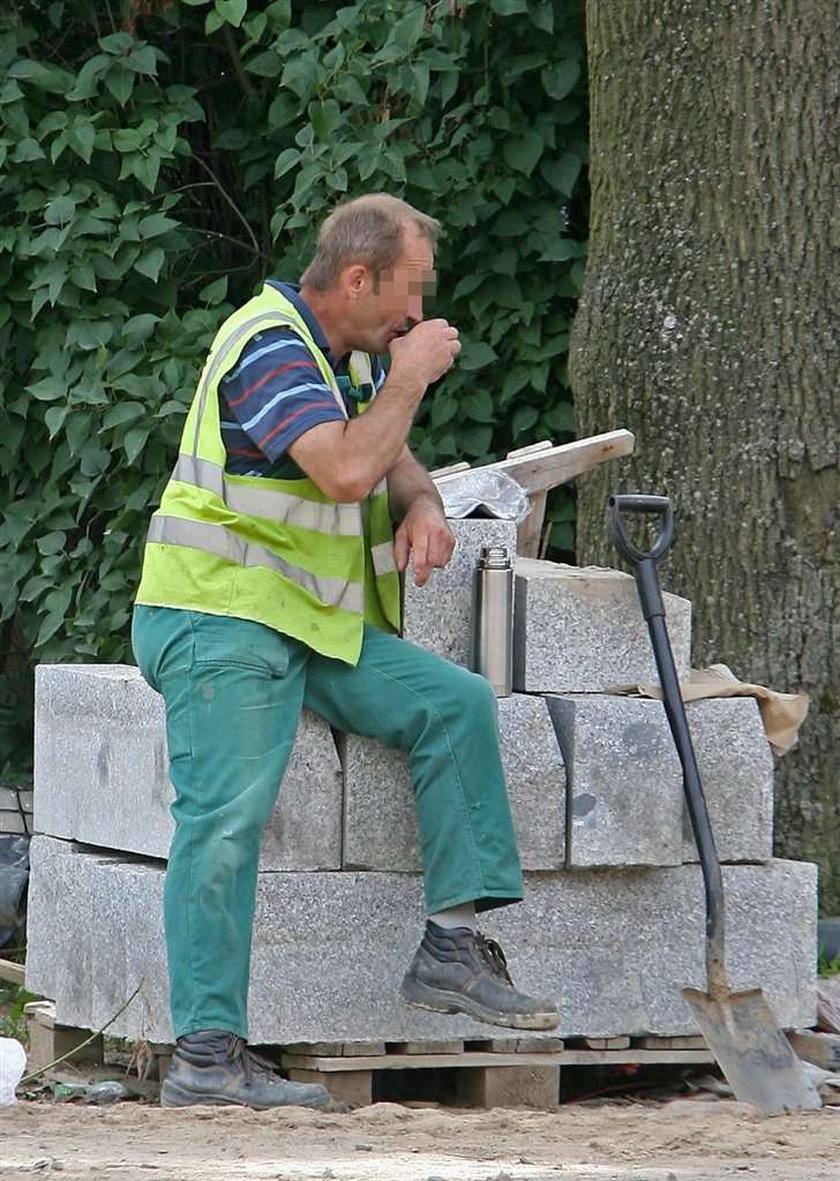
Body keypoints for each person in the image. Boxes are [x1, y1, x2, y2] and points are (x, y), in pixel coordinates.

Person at [131, 193, 558, 1110]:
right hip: (220, 617)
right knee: (225, 820)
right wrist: (411, 375)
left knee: (456, 702)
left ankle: (449, 946)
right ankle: (206, 1056)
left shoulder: (345, 358)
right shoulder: (272, 344)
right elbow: (344, 466)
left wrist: (428, 502)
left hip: (307, 623)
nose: (415, 316)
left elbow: (387, 459)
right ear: (357, 278)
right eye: (408, 295)